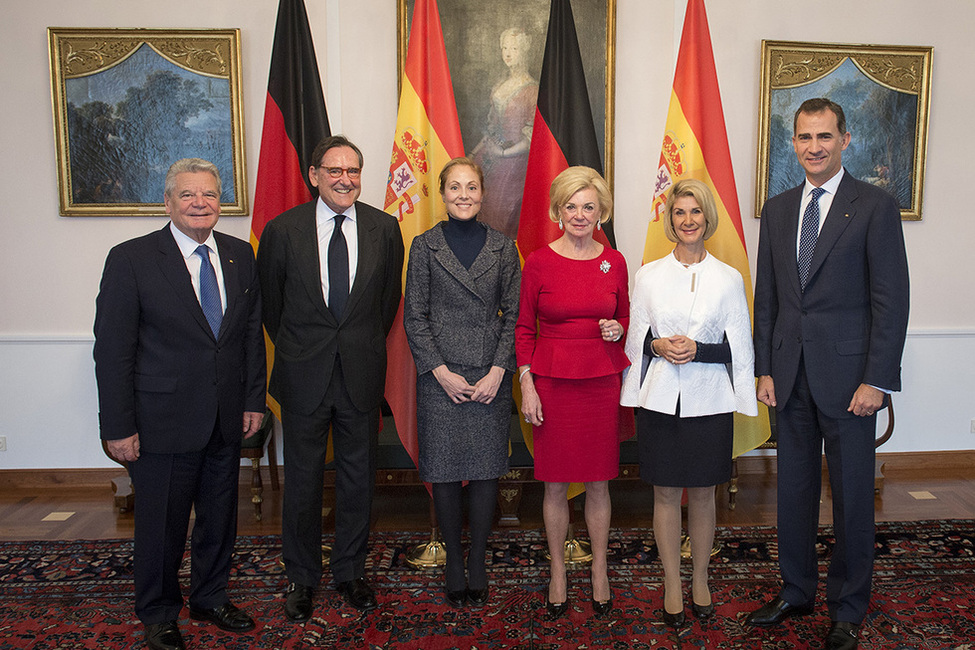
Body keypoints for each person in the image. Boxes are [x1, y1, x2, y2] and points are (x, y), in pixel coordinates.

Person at [746, 98, 910, 650]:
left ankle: (848, 605)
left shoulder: (875, 206)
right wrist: (764, 368)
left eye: (824, 136)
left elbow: (891, 301)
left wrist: (878, 380)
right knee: (792, 493)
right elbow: (766, 298)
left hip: (850, 383)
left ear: (845, 139)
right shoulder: (778, 208)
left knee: (853, 498)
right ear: (792, 143)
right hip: (788, 376)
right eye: (803, 137)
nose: (813, 147)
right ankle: (796, 590)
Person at [94, 158, 266, 650]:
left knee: (219, 517)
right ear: (167, 202)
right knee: (162, 524)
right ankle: (159, 611)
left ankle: (211, 597)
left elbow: (251, 335)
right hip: (161, 420)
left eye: (209, 194)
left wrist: (254, 398)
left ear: (221, 202)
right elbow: (112, 349)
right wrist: (118, 425)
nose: (199, 203)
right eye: (188, 195)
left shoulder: (239, 255)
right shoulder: (131, 259)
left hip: (226, 415)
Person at [256, 135, 405, 618]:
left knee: (358, 479)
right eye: (335, 170)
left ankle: (350, 571)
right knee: (302, 481)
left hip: (360, 372)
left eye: (354, 171)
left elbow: (385, 306)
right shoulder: (283, 230)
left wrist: (353, 343)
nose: (346, 179)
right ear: (314, 175)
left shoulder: (385, 229)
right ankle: (301, 577)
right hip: (304, 374)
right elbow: (271, 309)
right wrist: (306, 348)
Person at [620, 179, 758, 628]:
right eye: (680, 212)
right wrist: (657, 345)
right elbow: (634, 338)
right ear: (670, 219)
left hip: (709, 400)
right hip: (660, 400)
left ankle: (699, 578)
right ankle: (672, 584)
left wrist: (699, 349)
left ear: (707, 217)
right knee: (664, 494)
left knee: (702, 494)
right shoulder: (648, 276)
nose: (688, 220)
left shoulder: (728, 278)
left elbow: (739, 347)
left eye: (695, 212)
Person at [404, 157, 521, 608]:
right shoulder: (424, 246)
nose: (464, 195)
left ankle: (477, 561)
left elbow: (513, 316)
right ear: (442, 192)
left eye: (472, 186)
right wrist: (439, 370)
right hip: (441, 376)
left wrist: (498, 370)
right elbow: (415, 315)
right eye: (455, 187)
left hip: (490, 372)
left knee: (487, 467)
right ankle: (455, 558)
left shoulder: (503, 247)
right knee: (448, 470)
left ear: (483, 192)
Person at [516, 166, 629, 619]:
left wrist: (618, 327)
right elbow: (524, 329)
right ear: (557, 211)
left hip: (601, 380)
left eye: (588, 206)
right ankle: (559, 571)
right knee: (555, 484)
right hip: (551, 381)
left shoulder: (615, 261)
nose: (580, 215)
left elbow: (628, 322)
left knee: (600, 482)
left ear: (601, 211)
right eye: (571, 206)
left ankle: (599, 570)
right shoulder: (539, 261)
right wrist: (527, 383)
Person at [471, 27, 539, 240]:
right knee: (477, 208)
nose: (508, 53)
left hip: (516, 164)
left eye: (514, 48)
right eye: (505, 47)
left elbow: (531, 137)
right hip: (490, 156)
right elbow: (491, 127)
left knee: (501, 214)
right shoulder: (499, 85)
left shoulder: (532, 90)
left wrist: (502, 154)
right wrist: (472, 155)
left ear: (525, 51)